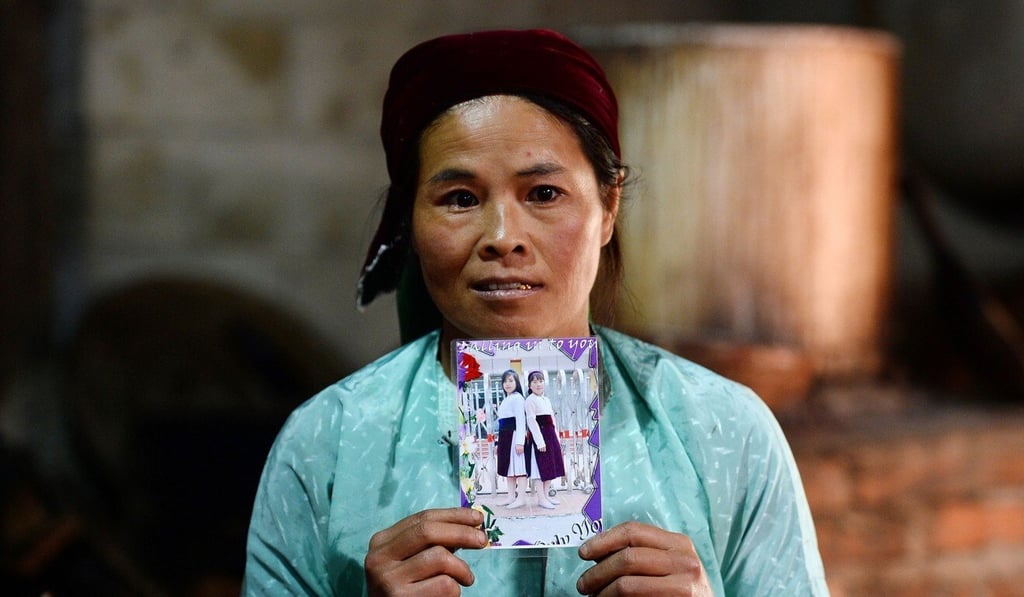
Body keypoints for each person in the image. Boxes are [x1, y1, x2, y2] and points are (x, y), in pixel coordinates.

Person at [244, 28, 828, 596]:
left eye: (544, 194)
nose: (503, 237)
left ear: (608, 206)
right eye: (460, 199)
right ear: (410, 223)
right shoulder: (326, 444)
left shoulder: (725, 432)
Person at [523, 371, 566, 510]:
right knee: (540, 469)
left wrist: (556, 437)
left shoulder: (546, 400)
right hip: (540, 436)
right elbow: (531, 421)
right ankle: (541, 498)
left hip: (550, 434)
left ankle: (546, 496)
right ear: (529, 385)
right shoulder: (530, 400)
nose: (538, 384)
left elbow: (552, 419)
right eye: (534, 382)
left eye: (540, 381)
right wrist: (539, 442)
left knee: (550, 467)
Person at [494, 370, 528, 508]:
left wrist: (520, 442)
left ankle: (521, 498)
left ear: (516, 382)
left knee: (519, 468)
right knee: (509, 469)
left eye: (511, 381)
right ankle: (510, 496)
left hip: (514, 436)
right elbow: (500, 423)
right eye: (505, 381)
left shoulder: (518, 398)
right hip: (504, 437)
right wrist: (497, 443)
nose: (507, 384)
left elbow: (521, 421)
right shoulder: (506, 399)